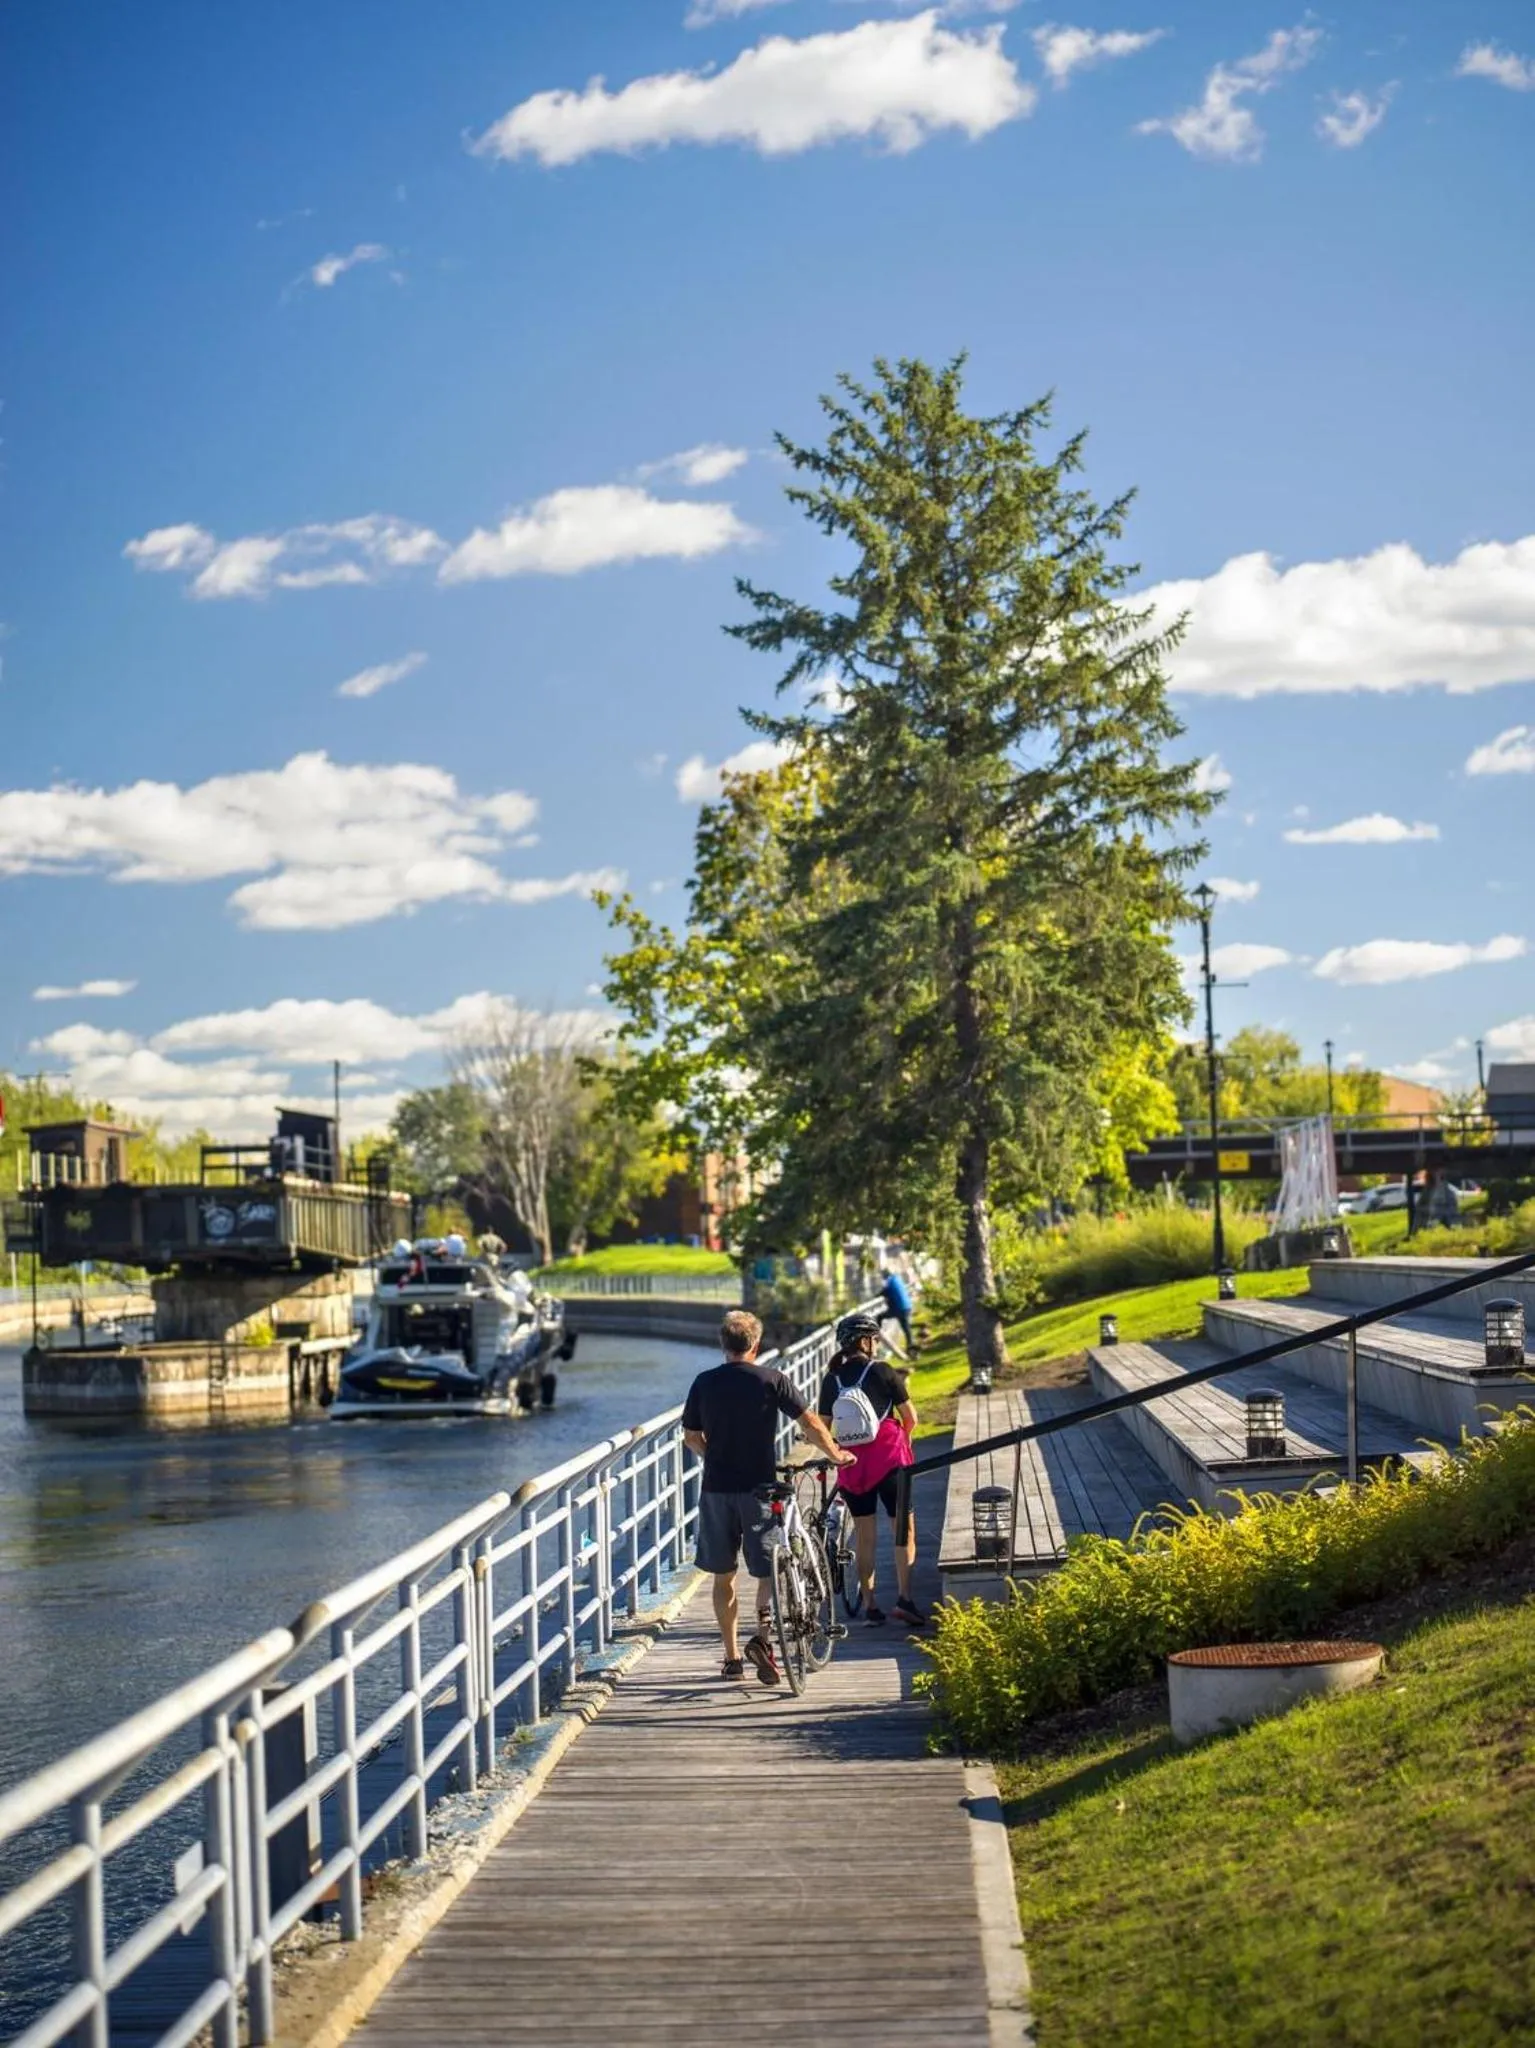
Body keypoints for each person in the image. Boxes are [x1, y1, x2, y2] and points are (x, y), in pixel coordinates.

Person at [681, 1309, 854, 1685]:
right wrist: (835, 1454)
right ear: (756, 1345)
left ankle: (730, 1659)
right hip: (760, 1489)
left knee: (723, 1576)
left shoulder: (703, 1383)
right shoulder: (772, 1379)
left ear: (723, 1345)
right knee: (768, 1573)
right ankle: (762, 1639)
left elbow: (691, 1436)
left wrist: (712, 1454)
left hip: (716, 1490)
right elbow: (809, 1422)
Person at [818, 1311, 926, 1630]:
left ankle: (871, 1606)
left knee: (864, 1536)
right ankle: (905, 1599)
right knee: (902, 1529)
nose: (877, 1344)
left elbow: (823, 1429)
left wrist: (837, 1453)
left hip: (852, 1466)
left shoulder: (831, 1379)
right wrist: (902, 1441)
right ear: (865, 1341)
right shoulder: (882, 1371)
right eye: (875, 1339)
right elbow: (911, 1419)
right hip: (890, 1461)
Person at [879, 1268, 915, 1354]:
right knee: (906, 1328)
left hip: (899, 1308)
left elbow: (886, 1292)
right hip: (906, 1307)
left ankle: (878, 1334)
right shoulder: (897, 1278)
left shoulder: (890, 1281)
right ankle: (910, 1347)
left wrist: (877, 1296)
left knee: (880, 1317)